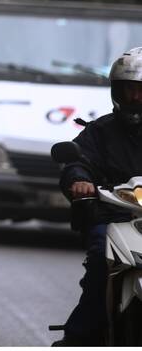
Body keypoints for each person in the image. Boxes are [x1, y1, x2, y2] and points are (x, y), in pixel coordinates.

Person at [54, 47, 142, 346]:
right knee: (99, 263)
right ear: (117, 91)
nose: (135, 97)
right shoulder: (101, 131)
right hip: (114, 217)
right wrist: (79, 180)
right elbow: (78, 161)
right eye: (129, 89)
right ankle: (78, 338)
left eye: (141, 90)